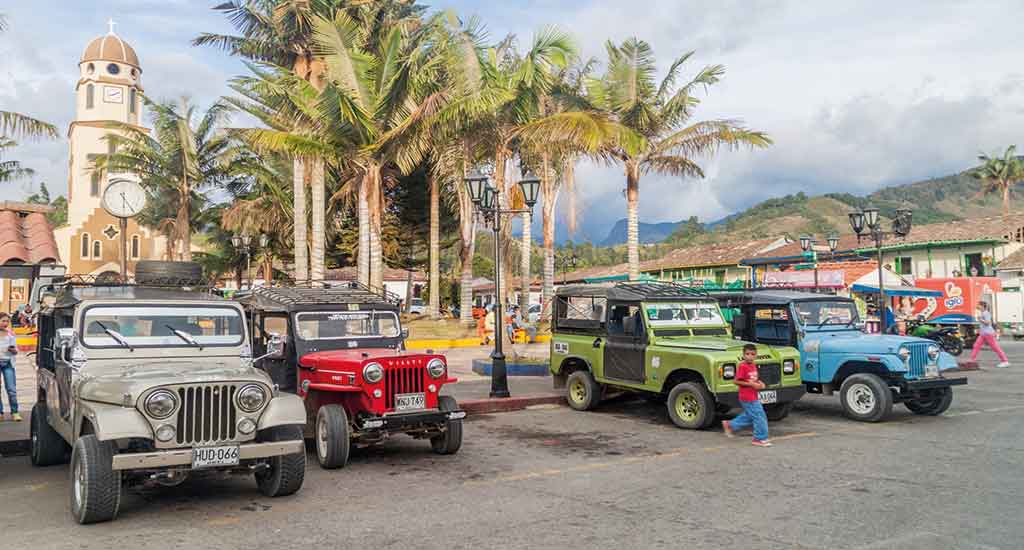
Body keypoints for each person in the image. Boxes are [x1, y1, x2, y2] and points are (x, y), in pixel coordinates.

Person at [722, 343, 770, 447]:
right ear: (743, 355)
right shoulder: (742, 366)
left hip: (753, 395)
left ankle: (729, 425)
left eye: (752, 354)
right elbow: (736, 381)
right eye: (747, 354)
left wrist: (760, 383)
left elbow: (753, 379)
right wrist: (751, 384)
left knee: (750, 415)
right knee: (759, 416)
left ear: (756, 355)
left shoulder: (753, 365)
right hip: (747, 397)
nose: (750, 356)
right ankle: (759, 438)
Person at [971, 302, 1009, 368]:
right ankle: (972, 360)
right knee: (976, 346)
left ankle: (1005, 361)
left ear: (982, 306)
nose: (977, 306)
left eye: (979, 305)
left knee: (995, 347)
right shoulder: (982, 313)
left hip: (988, 334)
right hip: (983, 334)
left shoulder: (986, 313)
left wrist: (980, 319)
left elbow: (988, 323)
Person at [0, 313, 20, 422]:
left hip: (8, 364)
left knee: (11, 389)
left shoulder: (11, 334)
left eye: (7, 321)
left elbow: (16, 351)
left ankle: (15, 412)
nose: (5, 323)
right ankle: (0, 413)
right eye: (3, 321)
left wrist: (12, 350)